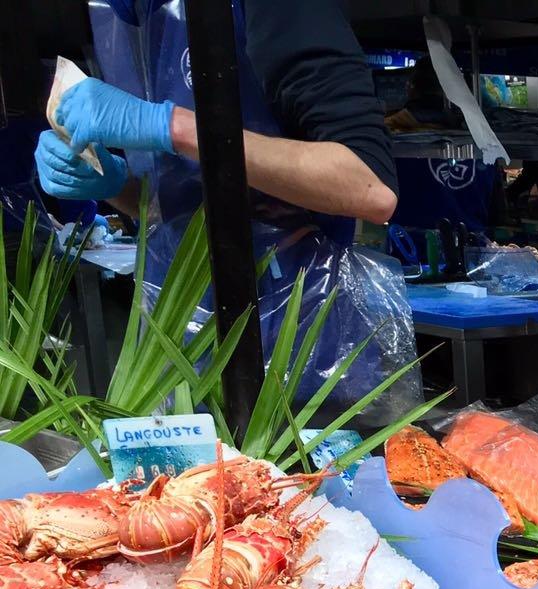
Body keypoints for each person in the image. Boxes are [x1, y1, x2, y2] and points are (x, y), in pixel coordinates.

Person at [33, 0, 413, 405]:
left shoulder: (275, 10)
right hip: (178, 349)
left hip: (300, 352)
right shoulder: (121, 16)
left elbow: (369, 187)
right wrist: (111, 182)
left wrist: (172, 126)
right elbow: (179, 208)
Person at [387, 68, 503, 234]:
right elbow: (497, 211)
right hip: (473, 246)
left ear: (411, 89)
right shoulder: (481, 135)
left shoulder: (393, 133)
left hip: (406, 246)